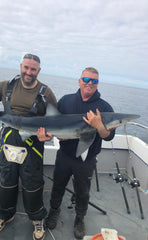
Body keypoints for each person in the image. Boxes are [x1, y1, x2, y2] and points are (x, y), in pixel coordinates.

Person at [0, 53, 57, 240]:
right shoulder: (6, 86)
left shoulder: (46, 93)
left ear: (39, 71)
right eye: (26, 67)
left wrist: (49, 135)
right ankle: (5, 214)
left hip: (33, 146)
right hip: (8, 144)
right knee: (6, 182)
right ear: (21, 66)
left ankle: (37, 219)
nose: (29, 72)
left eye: (33, 69)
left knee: (32, 185)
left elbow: (55, 121)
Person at [37, 67, 115, 239]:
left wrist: (99, 125)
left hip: (86, 159)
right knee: (58, 185)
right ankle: (54, 211)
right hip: (65, 155)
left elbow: (107, 137)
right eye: (86, 79)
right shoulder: (66, 101)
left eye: (93, 80)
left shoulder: (104, 107)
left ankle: (80, 218)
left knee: (83, 191)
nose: (89, 83)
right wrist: (52, 136)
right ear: (79, 81)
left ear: (97, 83)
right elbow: (54, 123)